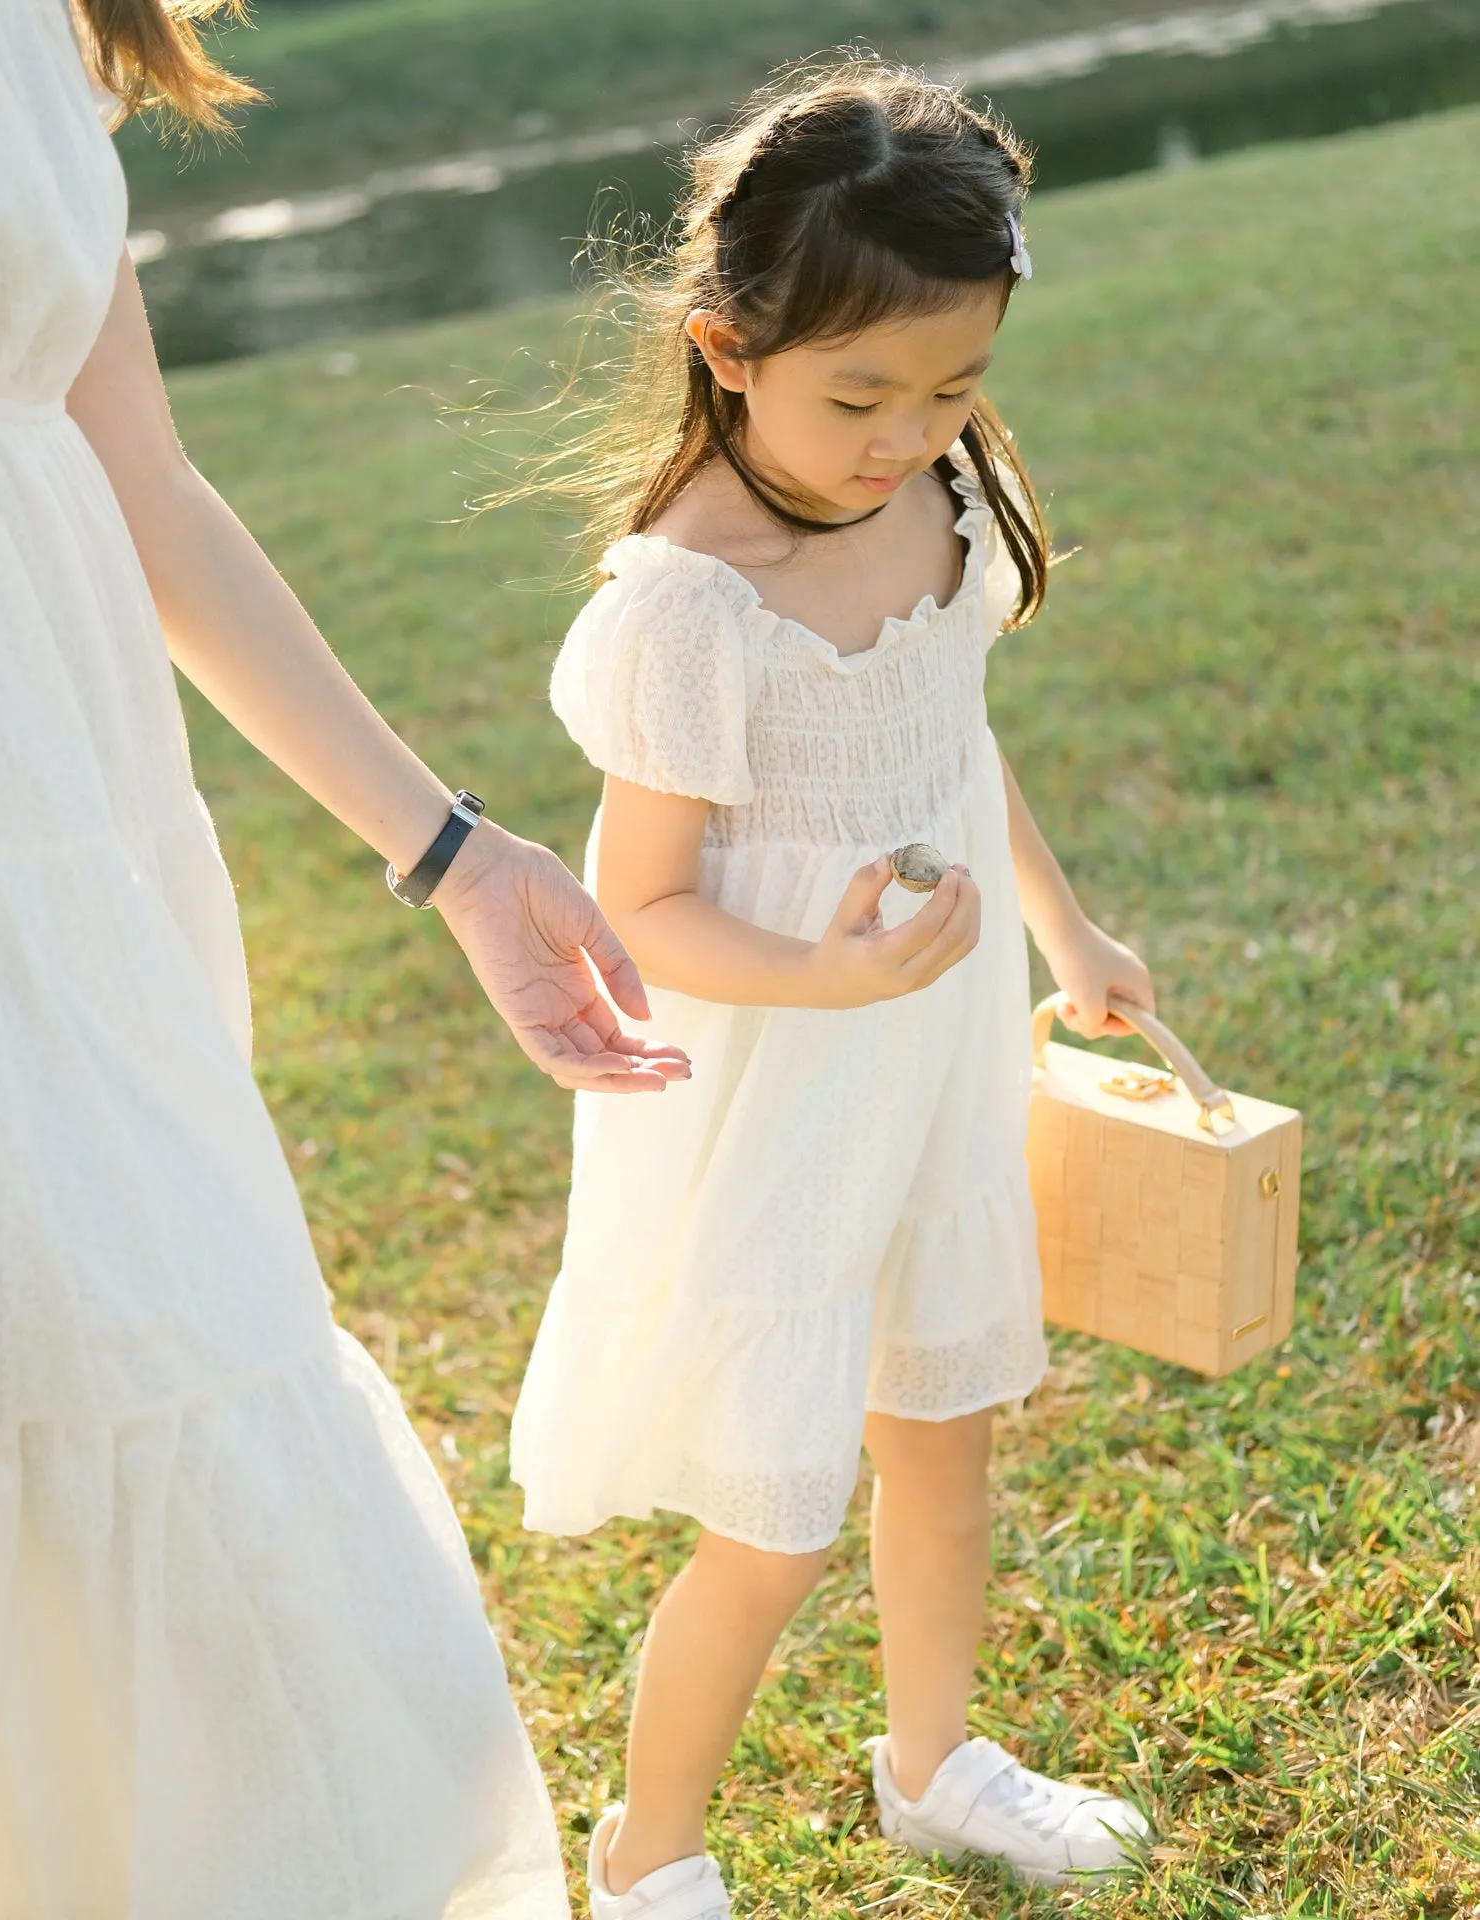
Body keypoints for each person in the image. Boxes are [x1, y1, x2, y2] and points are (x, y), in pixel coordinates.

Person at [0, 2, 687, 1915]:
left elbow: (141, 479)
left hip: (60, 840)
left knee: (165, 1343)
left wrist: (453, 854)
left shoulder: (50, 30)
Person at [505, 60, 1158, 1917]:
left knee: (940, 1434)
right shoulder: (688, 604)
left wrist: (1067, 929)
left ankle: (937, 1764)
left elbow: (951, 746)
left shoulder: (938, 487)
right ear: (725, 347)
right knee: (775, 1517)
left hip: (929, 1058)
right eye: (859, 393)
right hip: (777, 1088)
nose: (910, 431)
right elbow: (642, 908)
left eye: (956, 384)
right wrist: (822, 967)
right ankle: (651, 1854)